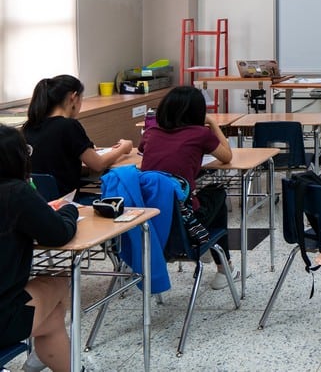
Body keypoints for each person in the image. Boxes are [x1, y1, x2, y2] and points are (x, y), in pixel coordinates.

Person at [139, 85, 235, 289]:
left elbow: (143, 152)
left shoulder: (151, 132)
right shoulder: (200, 134)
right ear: (198, 112)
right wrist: (211, 123)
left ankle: (213, 251)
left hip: (150, 223)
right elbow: (227, 156)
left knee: (195, 194)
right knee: (217, 192)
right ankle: (223, 268)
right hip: (184, 224)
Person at [0, 125, 78, 372]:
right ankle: (46, 358)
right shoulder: (14, 191)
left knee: (52, 319)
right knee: (58, 282)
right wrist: (69, 209)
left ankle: (49, 360)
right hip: (2, 318)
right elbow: (58, 234)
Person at [22, 75, 134, 198]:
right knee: (119, 186)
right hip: (66, 200)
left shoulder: (29, 126)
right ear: (74, 97)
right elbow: (98, 164)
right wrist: (123, 147)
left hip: (38, 199)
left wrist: (83, 151)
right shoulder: (68, 125)